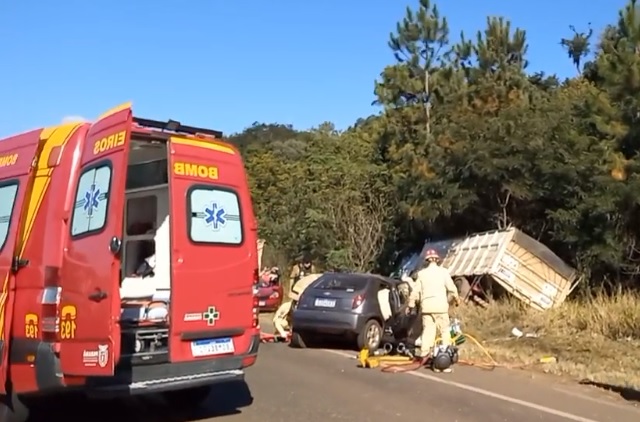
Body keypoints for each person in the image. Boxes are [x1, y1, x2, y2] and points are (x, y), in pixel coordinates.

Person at [407, 249, 461, 372]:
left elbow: (415, 292)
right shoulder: (443, 272)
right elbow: (452, 289)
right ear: (437, 260)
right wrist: (457, 300)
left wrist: (410, 305)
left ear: (427, 261)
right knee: (445, 332)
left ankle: (424, 357)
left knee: (428, 333)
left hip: (426, 308)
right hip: (441, 308)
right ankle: (443, 361)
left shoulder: (422, 274)